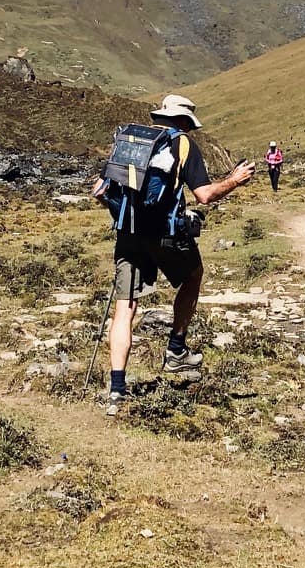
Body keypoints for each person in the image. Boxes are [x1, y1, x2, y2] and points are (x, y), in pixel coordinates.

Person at [105, 95, 254, 415]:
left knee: (125, 309)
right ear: (184, 122)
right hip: (165, 233)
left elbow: (103, 188)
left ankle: (117, 391)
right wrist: (235, 180)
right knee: (193, 275)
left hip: (128, 232)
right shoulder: (183, 145)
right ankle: (175, 348)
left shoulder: (132, 140)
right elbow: (204, 195)